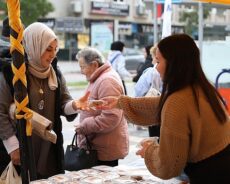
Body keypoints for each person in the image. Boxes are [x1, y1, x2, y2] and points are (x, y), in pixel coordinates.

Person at [98, 34, 230, 183]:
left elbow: (169, 165)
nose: (155, 67)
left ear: (174, 63)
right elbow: (160, 105)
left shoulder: (178, 100)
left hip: (210, 174)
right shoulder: (202, 87)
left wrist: (149, 151)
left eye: (158, 61)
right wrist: (120, 103)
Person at [0, 22, 89, 178]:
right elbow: (1, 112)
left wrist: (75, 105)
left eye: (55, 49)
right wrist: (13, 147)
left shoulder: (55, 73)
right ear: (34, 45)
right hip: (20, 148)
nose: (52, 54)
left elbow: (63, 102)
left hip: (48, 149)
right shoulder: (12, 73)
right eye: (48, 49)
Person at [75, 47, 129, 167]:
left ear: (94, 64)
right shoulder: (99, 78)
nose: (81, 71)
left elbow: (111, 117)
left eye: (82, 67)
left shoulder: (107, 81)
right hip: (99, 147)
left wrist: (85, 125)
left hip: (104, 151)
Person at [134, 45, 162, 137]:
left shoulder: (151, 72)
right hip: (168, 114)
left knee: (155, 139)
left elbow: (138, 92)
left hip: (153, 111)